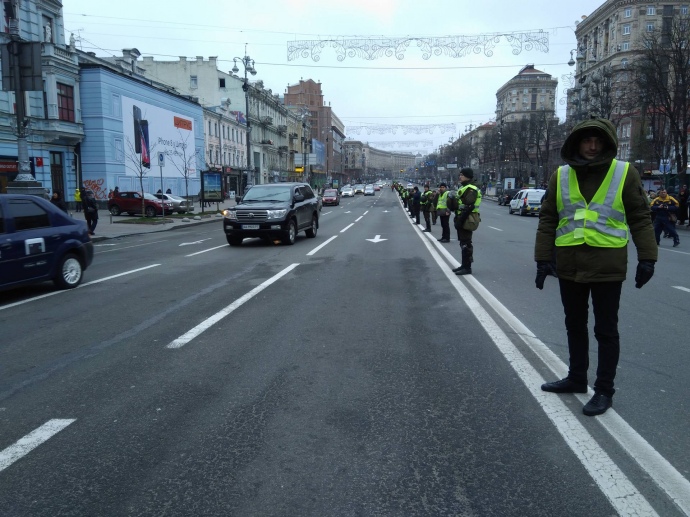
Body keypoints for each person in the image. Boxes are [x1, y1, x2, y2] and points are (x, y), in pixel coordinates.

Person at [535, 117, 657, 417]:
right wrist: (542, 258)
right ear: (576, 142)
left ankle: (604, 390)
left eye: (598, 141)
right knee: (574, 325)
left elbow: (640, 217)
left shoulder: (624, 172)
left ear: (607, 143)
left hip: (607, 265)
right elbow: (549, 218)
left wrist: (648, 257)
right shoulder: (560, 175)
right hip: (569, 264)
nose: (592, 146)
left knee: (606, 330)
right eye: (586, 140)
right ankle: (577, 378)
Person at [452, 168, 481, 275]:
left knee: (466, 243)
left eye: (462, 175)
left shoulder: (471, 189)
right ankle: (464, 265)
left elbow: (469, 206)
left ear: (468, 176)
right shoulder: (465, 187)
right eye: (460, 175)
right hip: (464, 217)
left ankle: (467, 267)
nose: (460, 177)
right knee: (463, 242)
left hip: (468, 218)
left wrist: (461, 220)